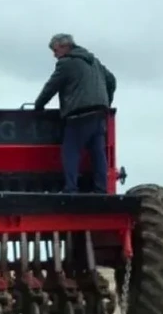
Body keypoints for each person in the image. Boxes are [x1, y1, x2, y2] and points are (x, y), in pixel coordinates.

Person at [33, 33, 116, 194]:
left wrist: (38, 106)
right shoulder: (94, 61)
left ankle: (71, 188)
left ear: (65, 47)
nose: (54, 55)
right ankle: (101, 189)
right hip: (99, 114)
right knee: (98, 152)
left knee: (70, 151)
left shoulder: (67, 63)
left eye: (55, 50)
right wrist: (106, 101)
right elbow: (111, 80)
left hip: (79, 115)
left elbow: (51, 87)